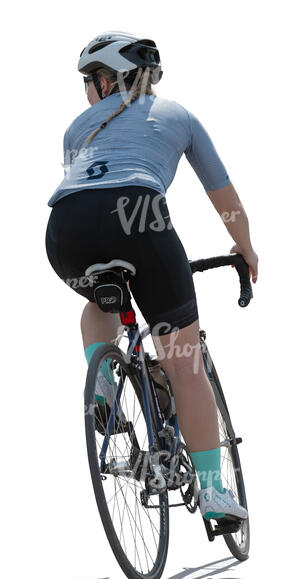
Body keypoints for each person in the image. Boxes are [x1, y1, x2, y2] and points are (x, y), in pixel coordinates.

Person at [45, 31, 258, 521]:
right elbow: (224, 199)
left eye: (88, 82)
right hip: (141, 218)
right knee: (185, 365)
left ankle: (102, 382)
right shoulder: (179, 115)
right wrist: (245, 250)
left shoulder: (77, 128)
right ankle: (214, 496)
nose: (87, 93)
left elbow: (87, 187)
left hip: (64, 230)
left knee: (101, 302)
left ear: (105, 80)